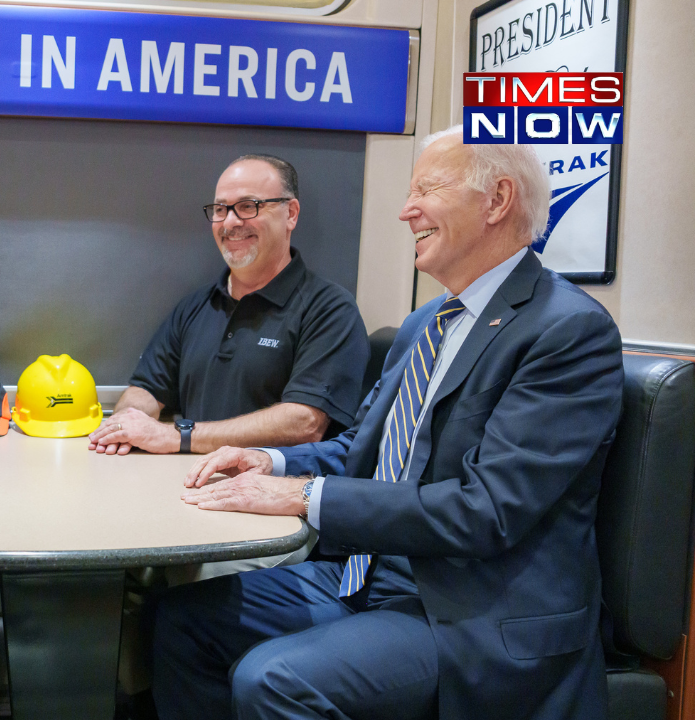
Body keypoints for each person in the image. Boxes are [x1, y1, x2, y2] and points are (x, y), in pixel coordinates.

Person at [154, 127, 623, 720]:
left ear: (498, 201)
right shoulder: (426, 322)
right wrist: (269, 462)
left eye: (426, 189)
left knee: (273, 680)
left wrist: (302, 495)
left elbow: (489, 510)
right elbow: (364, 450)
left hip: (473, 615)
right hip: (371, 576)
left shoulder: (566, 331)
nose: (406, 211)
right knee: (179, 621)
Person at [88, 154, 368, 459]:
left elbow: (303, 423)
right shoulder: (195, 307)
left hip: (271, 497)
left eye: (248, 206)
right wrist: (124, 425)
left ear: (291, 214)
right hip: (185, 487)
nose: (231, 222)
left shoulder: (329, 310)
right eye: (221, 209)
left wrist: (179, 436)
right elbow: (146, 390)